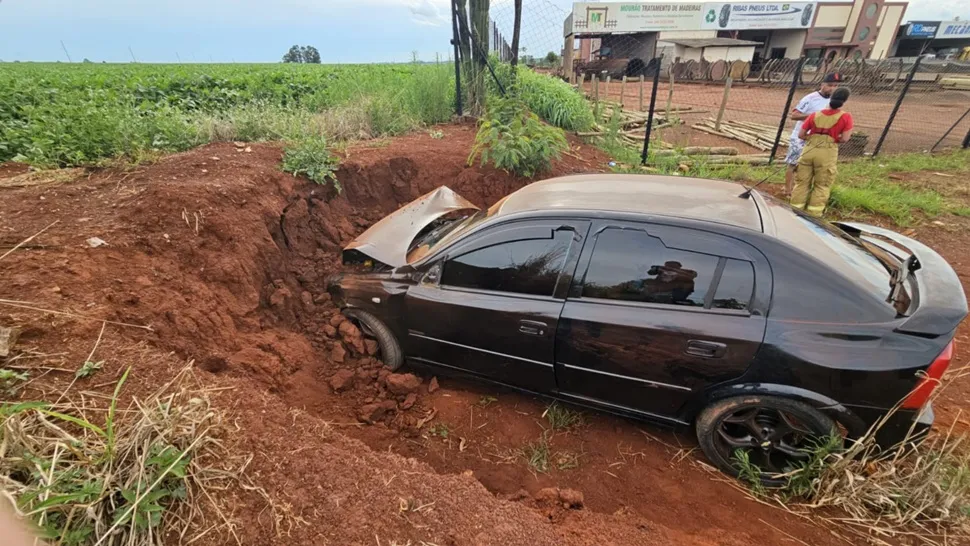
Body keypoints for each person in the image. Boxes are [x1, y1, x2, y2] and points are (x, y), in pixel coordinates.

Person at [791, 87, 854, 217]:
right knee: (822, 185)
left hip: (809, 150)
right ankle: (814, 214)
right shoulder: (846, 117)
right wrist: (831, 139)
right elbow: (845, 138)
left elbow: (801, 134)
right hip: (827, 153)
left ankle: (795, 211)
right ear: (844, 101)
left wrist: (813, 139)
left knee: (801, 182)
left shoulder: (815, 115)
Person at [784, 73, 843, 194]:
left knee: (810, 166)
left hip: (818, 139)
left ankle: (803, 190)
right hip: (801, 137)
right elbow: (794, 115)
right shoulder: (810, 98)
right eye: (830, 85)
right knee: (793, 164)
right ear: (822, 84)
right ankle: (788, 190)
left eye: (835, 86)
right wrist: (814, 116)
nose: (832, 88)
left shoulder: (834, 101)